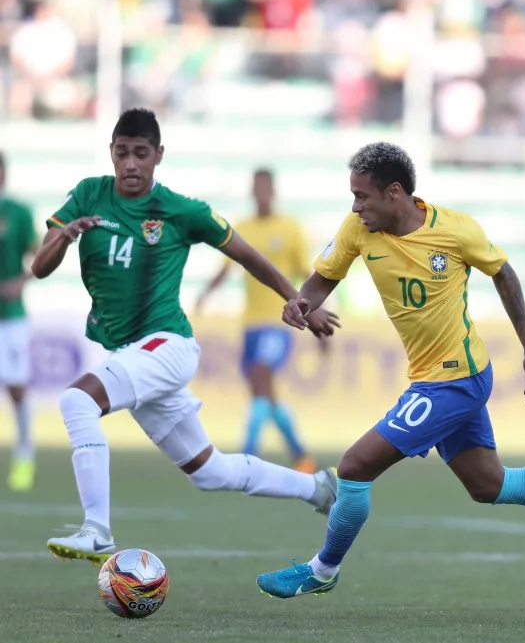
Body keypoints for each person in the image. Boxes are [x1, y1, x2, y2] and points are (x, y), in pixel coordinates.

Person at [255, 142, 525, 598]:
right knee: (489, 484)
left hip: (455, 378)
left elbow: (504, 273)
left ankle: (322, 571)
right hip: (434, 376)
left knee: (354, 467)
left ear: (395, 193)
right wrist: (304, 302)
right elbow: (325, 277)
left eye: (363, 196)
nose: (355, 206)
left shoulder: (455, 230)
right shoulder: (357, 229)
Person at [31, 108, 342, 564]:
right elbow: (40, 268)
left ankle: (97, 531)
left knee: (77, 401)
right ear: (111, 153)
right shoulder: (87, 194)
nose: (131, 164)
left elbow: (247, 255)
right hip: (133, 353)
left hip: (167, 346)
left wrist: (301, 301)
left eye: (141, 154)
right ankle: (319, 488)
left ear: (158, 155)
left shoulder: (181, 210)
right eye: (122, 153)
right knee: (210, 471)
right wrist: (65, 237)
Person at [196, 168, 317, 473]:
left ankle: (248, 453)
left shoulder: (290, 228)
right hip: (250, 325)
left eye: (265, 187)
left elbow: (307, 275)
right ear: (252, 191)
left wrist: (317, 317)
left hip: (280, 323)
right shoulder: (243, 227)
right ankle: (300, 455)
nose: (261, 192)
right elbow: (226, 268)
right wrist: (205, 296)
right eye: (256, 187)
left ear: (273, 190)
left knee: (262, 375)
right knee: (264, 394)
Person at [0, 151, 38, 491]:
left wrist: (20, 281)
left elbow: (39, 256)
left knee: (16, 388)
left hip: (10, 318)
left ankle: (24, 457)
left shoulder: (18, 213)